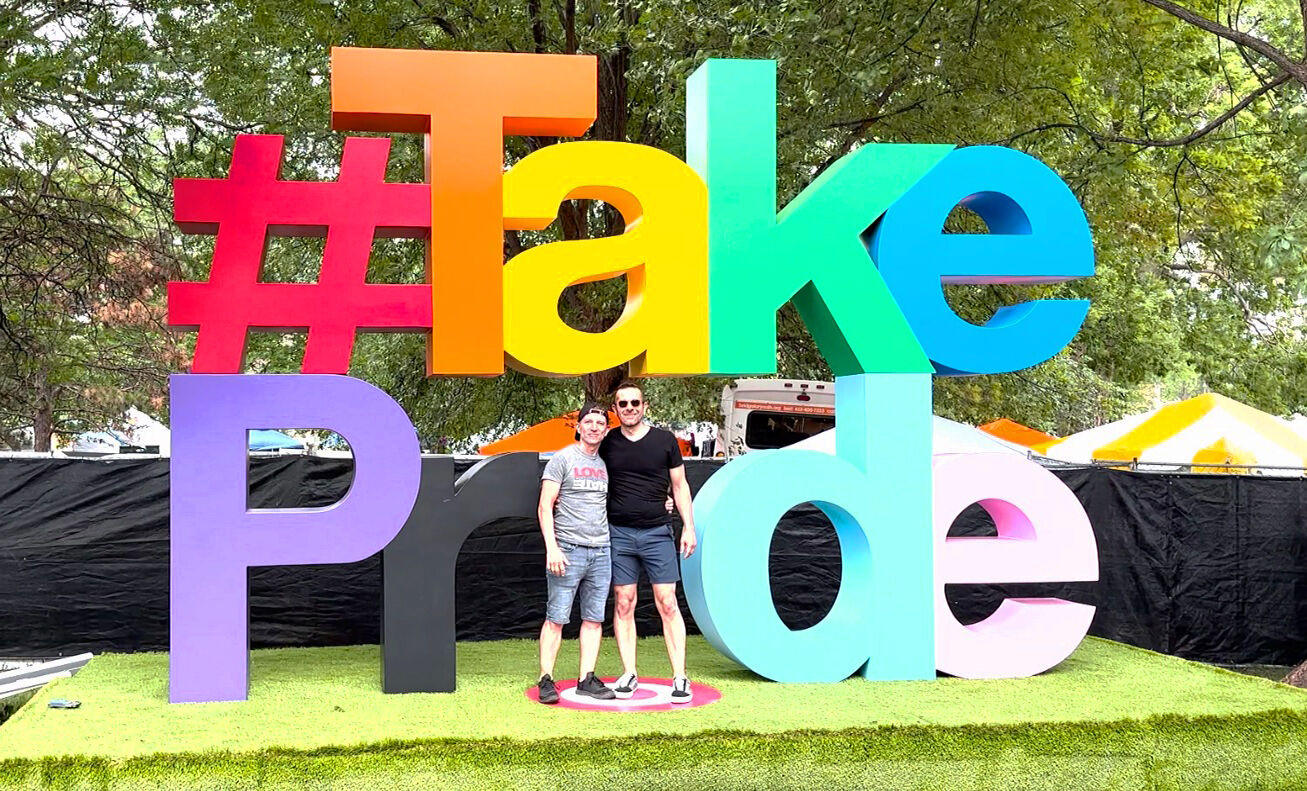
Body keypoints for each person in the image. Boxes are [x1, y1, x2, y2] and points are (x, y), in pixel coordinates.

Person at [600, 380, 697, 703]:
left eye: (634, 403)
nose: (629, 408)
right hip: (619, 534)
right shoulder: (607, 442)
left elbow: (680, 486)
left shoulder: (665, 441)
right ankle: (629, 673)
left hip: (657, 533)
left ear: (645, 407)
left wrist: (689, 527)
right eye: (623, 404)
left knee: (667, 603)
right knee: (624, 602)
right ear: (615, 410)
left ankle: (680, 677)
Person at [535, 403, 617, 704]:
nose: (595, 427)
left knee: (594, 619)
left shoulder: (606, 464)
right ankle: (546, 679)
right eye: (589, 422)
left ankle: (587, 679)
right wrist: (552, 548)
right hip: (567, 550)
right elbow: (545, 506)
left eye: (600, 423)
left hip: (601, 551)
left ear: (606, 430)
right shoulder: (562, 459)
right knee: (556, 618)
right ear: (578, 427)